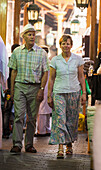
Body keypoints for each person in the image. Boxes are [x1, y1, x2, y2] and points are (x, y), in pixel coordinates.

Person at [8, 24, 49, 153]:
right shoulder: (17, 52)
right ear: (23, 36)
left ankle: (29, 144)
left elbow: (45, 72)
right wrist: (12, 89)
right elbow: (13, 72)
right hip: (19, 86)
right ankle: (17, 144)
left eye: (33, 34)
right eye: (29, 34)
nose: (32, 37)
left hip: (35, 87)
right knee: (19, 116)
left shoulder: (41, 53)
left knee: (32, 118)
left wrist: (41, 89)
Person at [47, 34, 86, 159]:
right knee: (60, 119)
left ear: (71, 45)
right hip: (59, 92)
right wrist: (49, 95)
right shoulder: (55, 60)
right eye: (63, 43)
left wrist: (84, 93)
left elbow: (81, 77)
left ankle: (69, 145)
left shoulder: (78, 59)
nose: (66, 46)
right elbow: (51, 79)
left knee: (71, 120)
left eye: (68, 43)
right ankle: (60, 148)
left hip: (74, 92)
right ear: (60, 45)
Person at [3, 44, 20, 139]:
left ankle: (6, 132)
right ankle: (13, 131)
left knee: (7, 111)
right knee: (14, 111)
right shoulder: (17, 60)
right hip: (15, 89)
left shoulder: (8, 60)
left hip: (8, 89)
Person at [35, 46, 52, 137]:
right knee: (46, 109)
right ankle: (47, 129)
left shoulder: (44, 62)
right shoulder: (49, 62)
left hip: (43, 88)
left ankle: (41, 131)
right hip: (48, 88)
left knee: (41, 109)